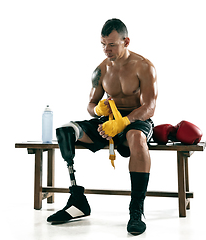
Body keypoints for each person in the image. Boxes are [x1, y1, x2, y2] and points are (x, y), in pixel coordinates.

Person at [47, 18, 157, 236]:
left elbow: (150, 106)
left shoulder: (144, 66)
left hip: (136, 121)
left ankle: (136, 210)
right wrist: (98, 110)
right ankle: (77, 201)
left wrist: (124, 122)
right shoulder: (100, 70)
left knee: (136, 138)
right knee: (66, 132)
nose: (107, 50)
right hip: (108, 120)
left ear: (126, 41)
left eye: (112, 44)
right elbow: (90, 105)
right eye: (103, 44)